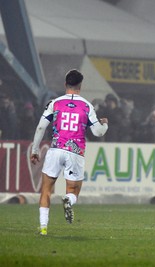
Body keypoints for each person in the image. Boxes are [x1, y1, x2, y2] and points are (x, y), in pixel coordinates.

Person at [30, 69, 108, 236]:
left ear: (65, 84)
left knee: (46, 190)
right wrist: (105, 124)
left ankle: (43, 228)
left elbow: (41, 127)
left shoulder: (55, 103)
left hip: (55, 150)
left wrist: (35, 149)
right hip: (75, 152)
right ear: (80, 85)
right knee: (73, 191)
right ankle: (68, 200)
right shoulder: (87, 106)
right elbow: (98, 132)